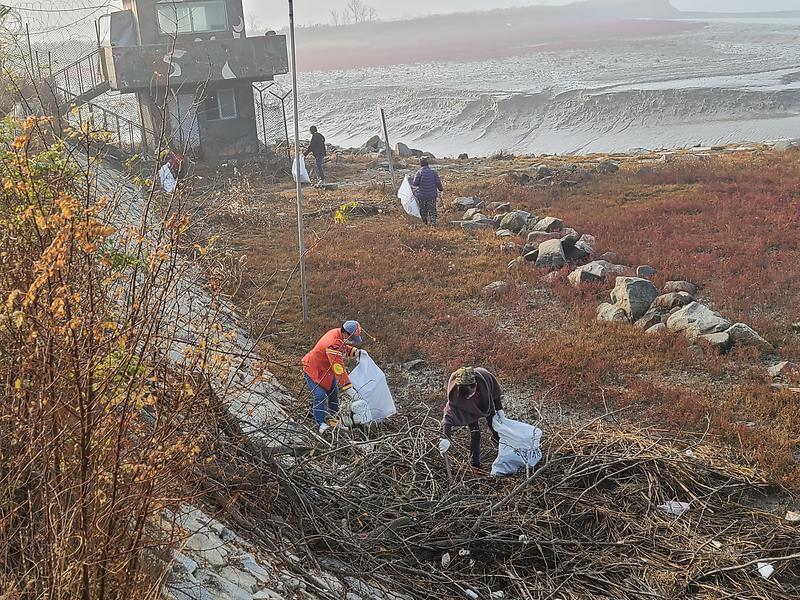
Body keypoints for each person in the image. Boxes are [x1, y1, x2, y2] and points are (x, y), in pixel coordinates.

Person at [302, 320, 364, 434]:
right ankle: (320, 424)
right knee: (320, 396)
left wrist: (356, 352)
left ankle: (333, 421)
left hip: (326, 372)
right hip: (313, 370)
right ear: (346, 334)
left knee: (333, 395)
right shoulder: (333, 343)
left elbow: (343, 347)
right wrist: (349, 388)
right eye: (352, 338)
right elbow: (339, 368)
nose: (352, 341)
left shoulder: (338, 333)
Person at [438, 367, 506, 470]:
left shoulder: (485, 379)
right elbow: (448, 416)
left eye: (471, 393)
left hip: (485, 404)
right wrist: (446, 439)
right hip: (469, 409)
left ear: (475, 385)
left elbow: (495, 394)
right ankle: (476, 465)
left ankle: (500, 445)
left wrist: (500, 410)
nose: (469, 396)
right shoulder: (456, 393)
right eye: (466, 395)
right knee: (475, 434)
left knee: (494, 426)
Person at [412, 158, 443, 226]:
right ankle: (433, 223)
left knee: (423, 209)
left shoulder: (419, 172)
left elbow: (415, 183)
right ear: (428, 164)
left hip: (422, 195)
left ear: (421, 165)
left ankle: (424, 222)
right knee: (432, 209)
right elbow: (438, 182)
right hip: (432, 195)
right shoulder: (433, 172)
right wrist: (441, 189)